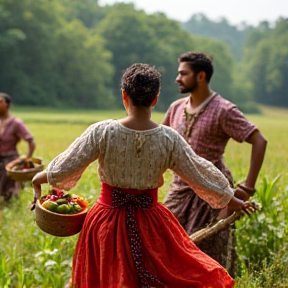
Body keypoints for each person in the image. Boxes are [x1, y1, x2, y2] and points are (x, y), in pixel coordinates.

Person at [32, 63, 255, 288]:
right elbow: (200, 172)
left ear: (124, 96)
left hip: (105, 223)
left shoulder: (103, 132)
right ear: (155, 98)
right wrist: (233, 200)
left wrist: (36, 181)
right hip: (151, 222)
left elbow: (64, 167)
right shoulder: (169, 139)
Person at [162, 51, 267, 276]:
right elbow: (158, 144)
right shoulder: (176, 108)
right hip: (179, 191)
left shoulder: (224, 110)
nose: (177, 78)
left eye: (183, 73)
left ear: (200, 76)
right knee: (165, 245)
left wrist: (247, 188)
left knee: (207, 254)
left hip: (213, 193)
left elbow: (259, 141)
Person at [0, 92, 36, 201]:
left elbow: (31, 141)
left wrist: (27, 159)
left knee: (8, 189)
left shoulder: (16, 123)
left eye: (0, 102)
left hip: (10, 160)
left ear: (7, 104)